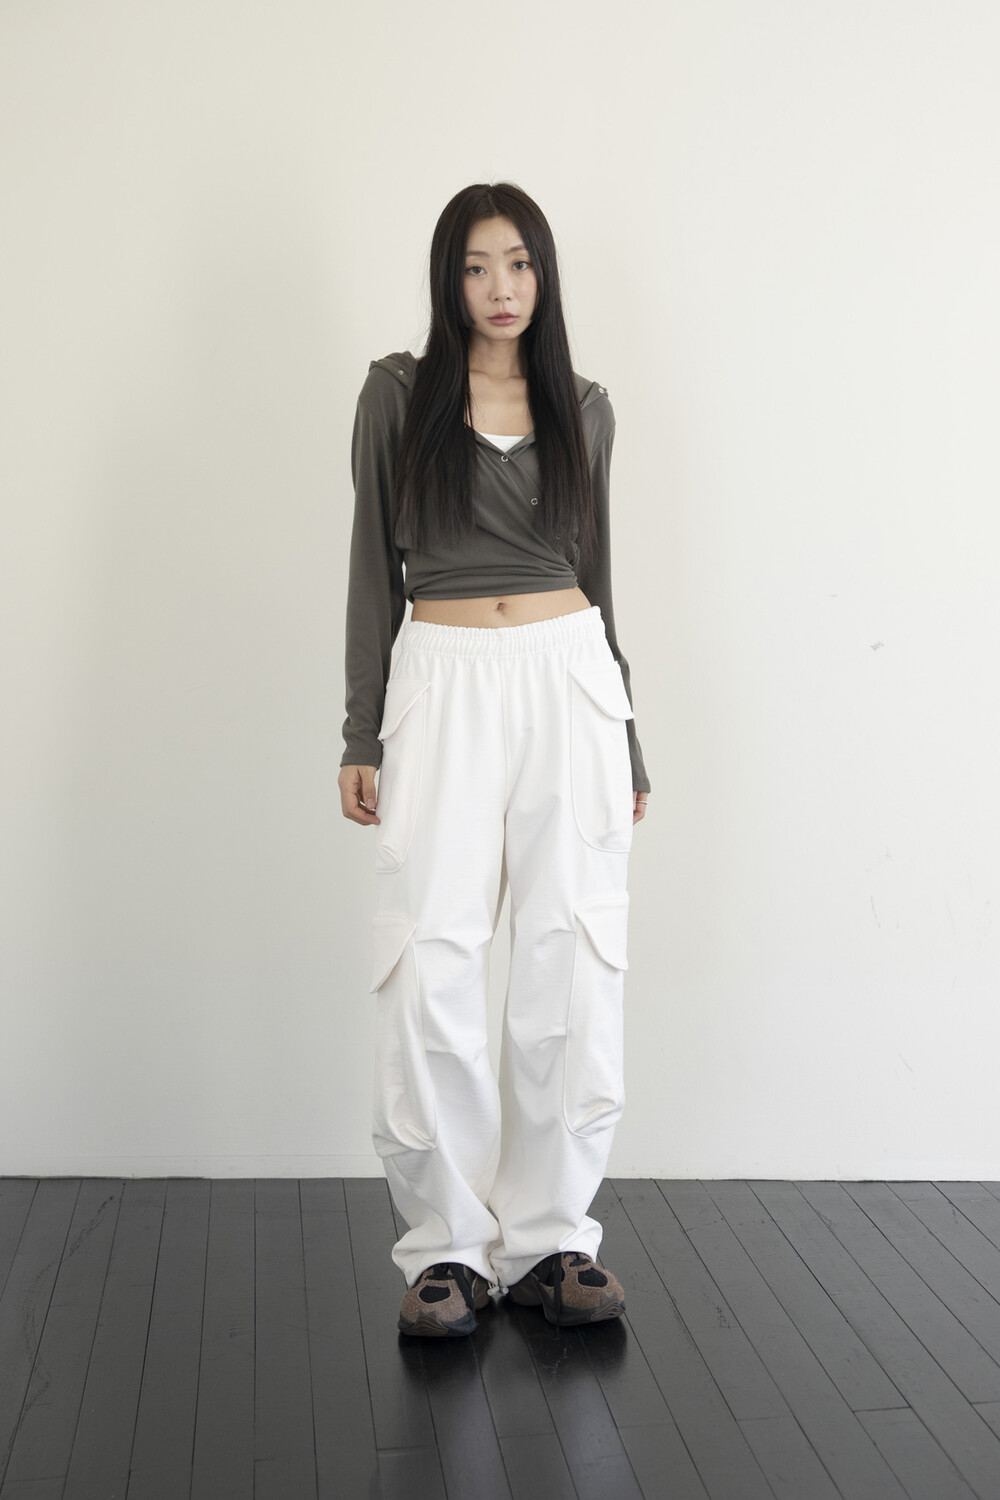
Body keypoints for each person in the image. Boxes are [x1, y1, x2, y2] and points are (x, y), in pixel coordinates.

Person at [338, 182, 651, 1338]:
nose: (500, 288)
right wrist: (360, 729)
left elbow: (599, 581)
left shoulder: (583, 408)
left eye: (517, 263)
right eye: (475, 267)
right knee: (432, 955)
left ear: (543, 273)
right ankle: (446, 1248)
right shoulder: (397, 394)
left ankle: (552, 1238)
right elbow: (370, 568)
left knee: (571, 957)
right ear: (448, 280)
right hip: (444, 680)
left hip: (570, 683)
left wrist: (629, 737)